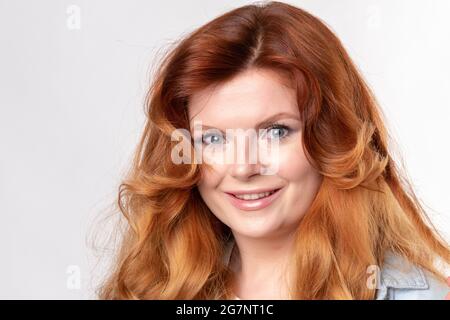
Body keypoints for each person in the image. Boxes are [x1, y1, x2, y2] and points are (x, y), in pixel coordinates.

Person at [97, 1, 450, 299]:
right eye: (213, 139)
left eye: (275, 131)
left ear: (334, 140)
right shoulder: (156, 286)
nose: (243, 167)